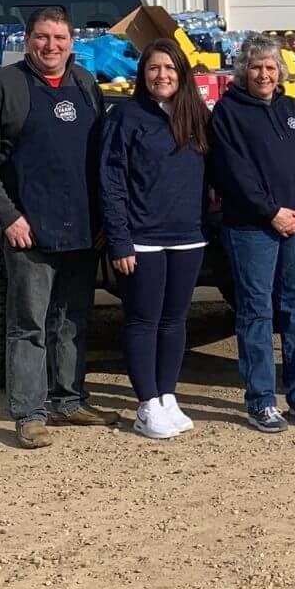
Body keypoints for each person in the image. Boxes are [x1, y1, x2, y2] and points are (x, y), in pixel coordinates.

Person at [0, 6, 116, 449]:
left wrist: (103, 219)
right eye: (43, 37)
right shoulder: (4, 86)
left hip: (83, 227)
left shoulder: (85, 84)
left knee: (73, 319)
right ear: (28, 40)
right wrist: (8, 217)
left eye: (60, 38)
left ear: (72, 42)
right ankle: (29, 413)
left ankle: (70, 400)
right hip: (30, 228)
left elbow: (99, 159)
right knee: (28, 324)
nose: (52, 46)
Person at [207, 35, 295, 434]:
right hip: (252, 229)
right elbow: (232, 172)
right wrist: (271, 212)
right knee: (256, 311)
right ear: (243, 71)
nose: (264, 74)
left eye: (270, 67)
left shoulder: (294, 110)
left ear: (281, 72)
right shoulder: (227, 113)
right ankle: (261, 399)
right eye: (256, 67)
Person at [98, 39, 210, 440]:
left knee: (175, 320)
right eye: (153, 68)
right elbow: (111, 181)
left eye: (169, 68)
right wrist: (120, 239)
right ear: (142, 74)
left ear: (182, 74)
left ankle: (167, 395)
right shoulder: (125, 117)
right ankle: (145, 403)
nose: (162, 75)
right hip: (141, 238)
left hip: (188, 236)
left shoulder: (196, 117)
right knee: (144, 319)